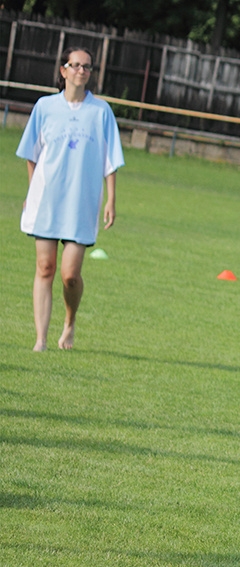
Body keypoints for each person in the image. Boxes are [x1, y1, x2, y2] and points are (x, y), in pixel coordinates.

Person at [16, 46, 125, 351]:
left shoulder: (101, 112)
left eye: (87, 66)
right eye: (75, 65)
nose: (81, 71)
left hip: (81, 203)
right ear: (63, 70)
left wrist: (111, 200)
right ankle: (40, 339)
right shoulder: (45, 107)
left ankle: (70, 322)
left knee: (69, 275)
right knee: (45, 267)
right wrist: (30, 192)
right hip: (46, 200)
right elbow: (32, 155)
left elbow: (111, 160)